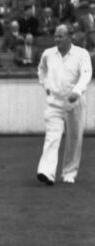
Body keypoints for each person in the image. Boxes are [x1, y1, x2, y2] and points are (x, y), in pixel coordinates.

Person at [36, 23, 92, 186]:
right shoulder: (48, 54)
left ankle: (69, 172)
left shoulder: (81, 54)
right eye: (56, 35)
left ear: (71, 36)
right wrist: (46, 86)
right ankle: (46, 172)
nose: (57, 39)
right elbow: (41, 71)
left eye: (61, 35)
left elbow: (86, 73)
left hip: (74, 102)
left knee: (74, 138)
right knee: (52, 137)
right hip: (54, 102)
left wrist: (77, 91)